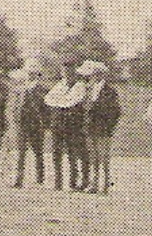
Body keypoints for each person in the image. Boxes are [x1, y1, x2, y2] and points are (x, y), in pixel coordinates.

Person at [79, 60, 121, 194]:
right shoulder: (88, 90)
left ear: (98, 74)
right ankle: (95, 183)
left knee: (104, 157)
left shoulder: (110, 91)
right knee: (93, 157)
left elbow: (116, 111)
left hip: (103, 128)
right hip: (90, 127)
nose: (89, 78)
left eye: (91, 75)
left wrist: (108, 126)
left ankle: (106, 184)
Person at [45, 63, 87, 191]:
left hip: (73, 124)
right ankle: (58, 181)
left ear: (74, 72)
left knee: (73, 153)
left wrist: (61, 102)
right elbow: (49, 99)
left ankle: (73, 181)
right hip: (58, 123)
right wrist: (61, 102)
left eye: (69, 71)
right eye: (64, 71)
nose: (67, 74)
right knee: (56, 153)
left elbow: (72, 101)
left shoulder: (79, 86)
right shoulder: (59, 85)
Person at [11, 63, 49, 187]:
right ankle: (19, 179)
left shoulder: (42, 90)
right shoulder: (21, 88)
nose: (31, 75)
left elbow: (46, 108)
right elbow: (16, 106)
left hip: (36, 124)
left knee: (38, 151)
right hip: (22, 123)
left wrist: (44, 123)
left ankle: (40, 178)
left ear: (38, 75)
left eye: (33, 73)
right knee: (21, 151)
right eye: (29, 73)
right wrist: (15, 118)